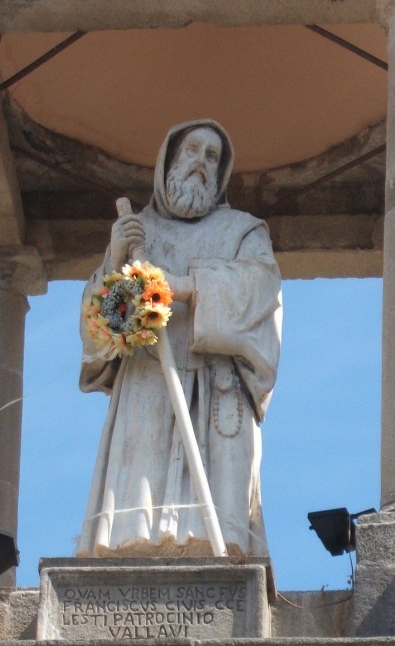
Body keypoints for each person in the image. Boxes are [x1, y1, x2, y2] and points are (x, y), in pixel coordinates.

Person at [77, 119, 282, 559]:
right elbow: (100, 330)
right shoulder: (135, 235)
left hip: (218, 386)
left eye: (212, 157)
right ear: (169, 160)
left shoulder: (244, 232)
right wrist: (115, 259)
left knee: (218, 539)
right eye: (192, 150)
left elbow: (260, 289)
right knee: (136, 532)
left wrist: (184, 286)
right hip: (149, 385)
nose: (201, 164)